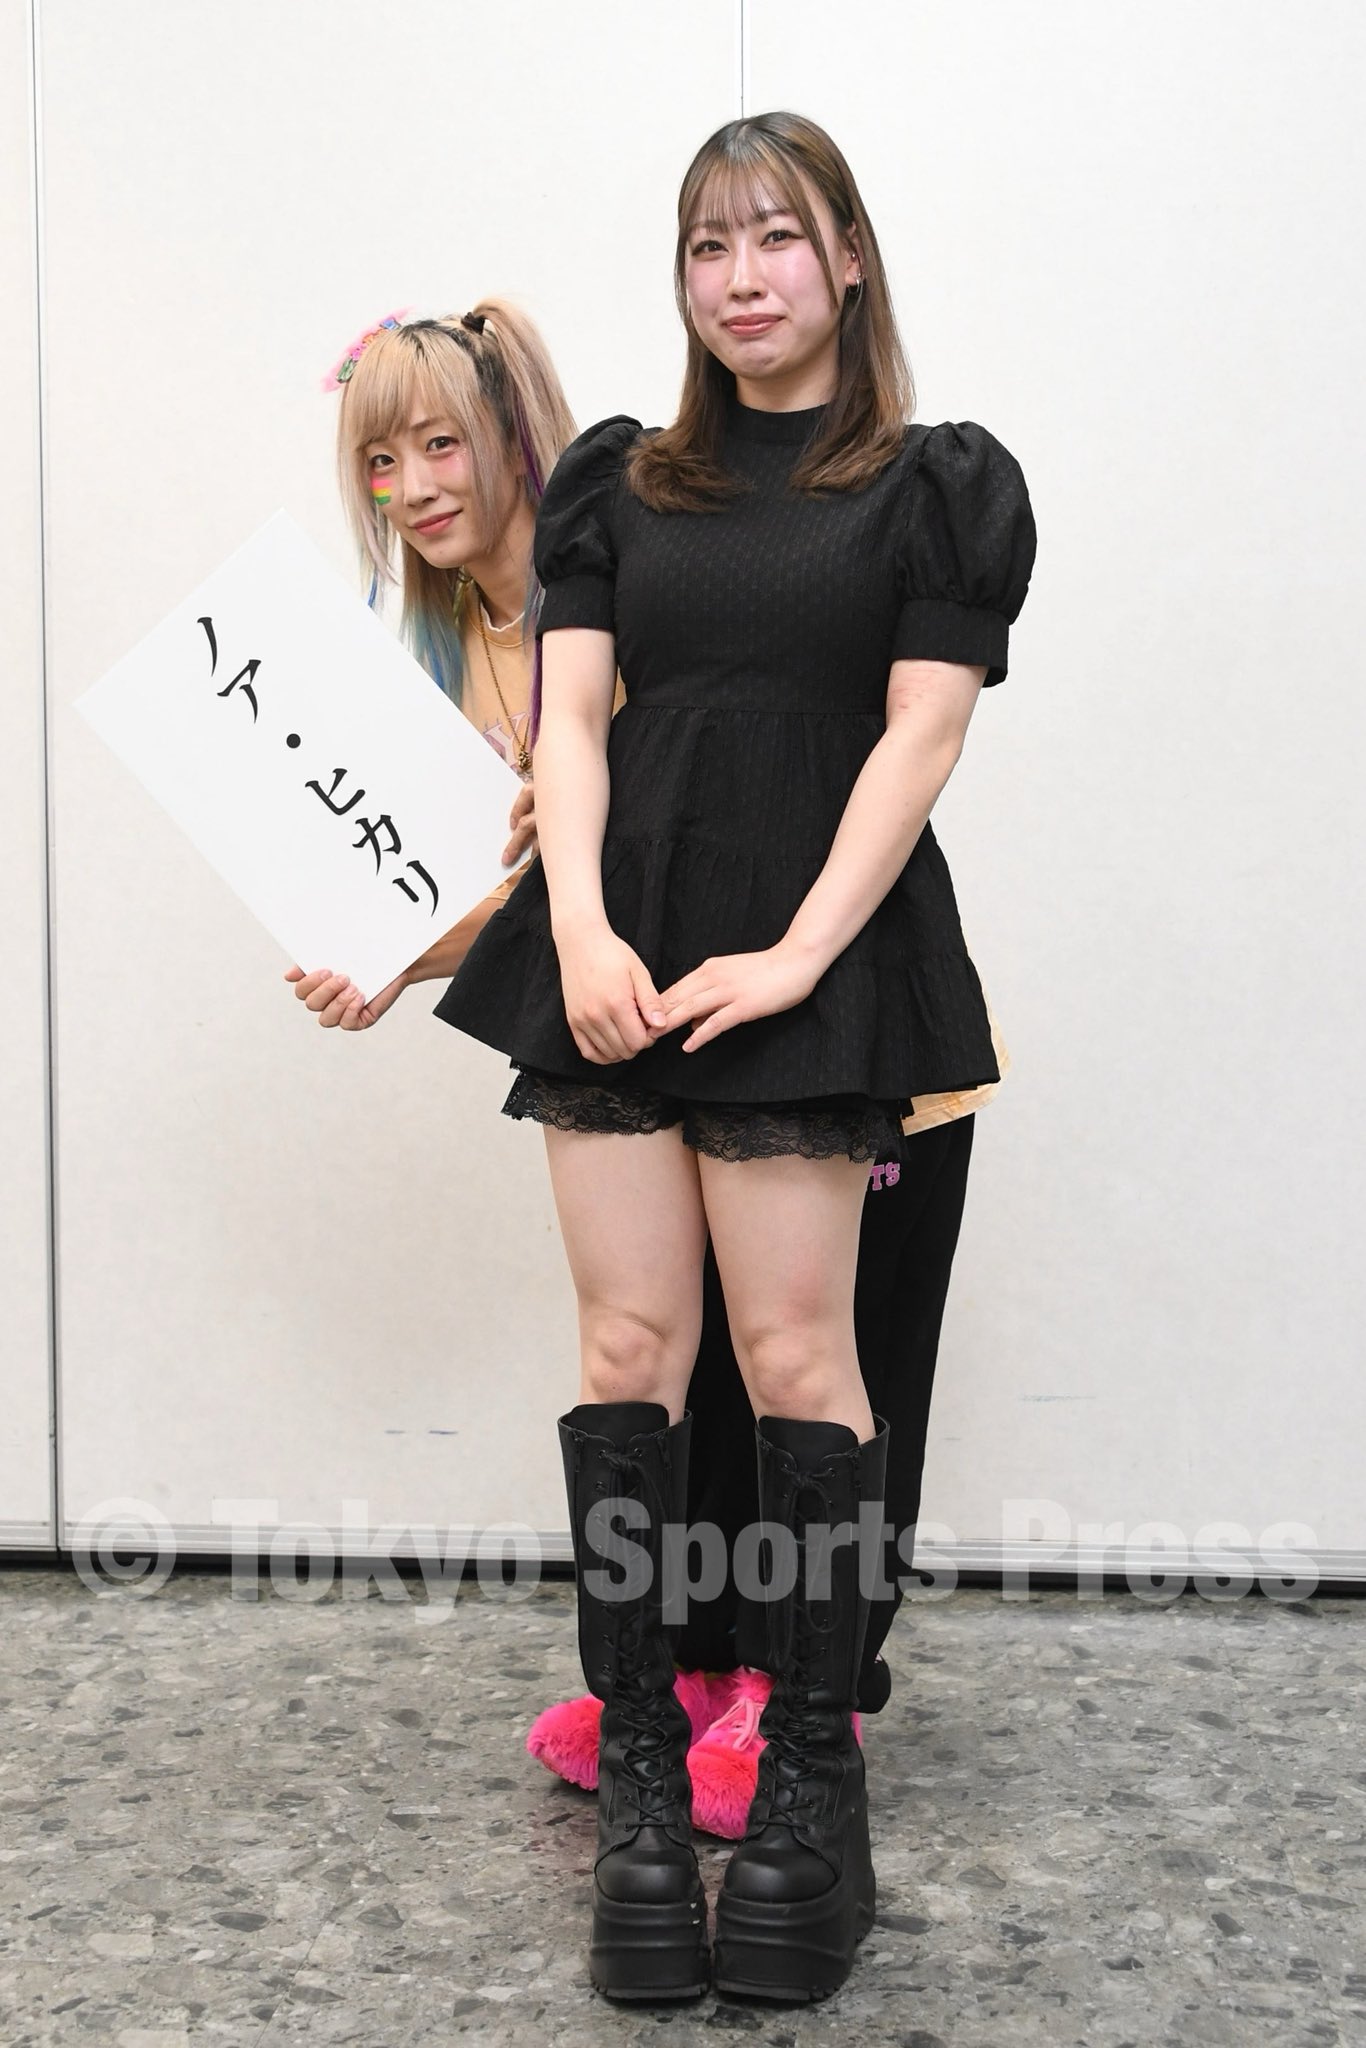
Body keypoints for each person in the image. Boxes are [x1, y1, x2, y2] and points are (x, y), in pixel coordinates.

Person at [433, 110, 1037, 2007]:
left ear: (846, 257)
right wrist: (583, 931)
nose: (741, 277)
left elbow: (918, 740)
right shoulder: (620, 479)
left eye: (777, 238)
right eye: (708, 245)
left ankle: (804, 1799)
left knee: (795, 1363)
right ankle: (639, 1797)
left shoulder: (933, 484)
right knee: (627, 1355)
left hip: (810, 952)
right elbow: (573, 721)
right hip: (620, 943)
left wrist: (793, 956)